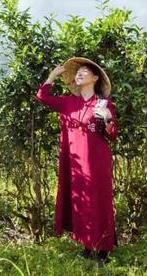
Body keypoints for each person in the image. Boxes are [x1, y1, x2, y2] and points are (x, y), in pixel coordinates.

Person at [34, 57, 119, 268]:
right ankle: (88, 246)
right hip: (76, 164)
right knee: (80, 202)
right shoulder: (68, 102)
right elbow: (42, 97)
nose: (79, 74)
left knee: (99, 202)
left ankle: (104, 249)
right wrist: (52, 75)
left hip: (97, 161)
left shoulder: (103, 104)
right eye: (77, 71)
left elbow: (113, 134)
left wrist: (108, 117)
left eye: (84, 71)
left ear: (95, 77)